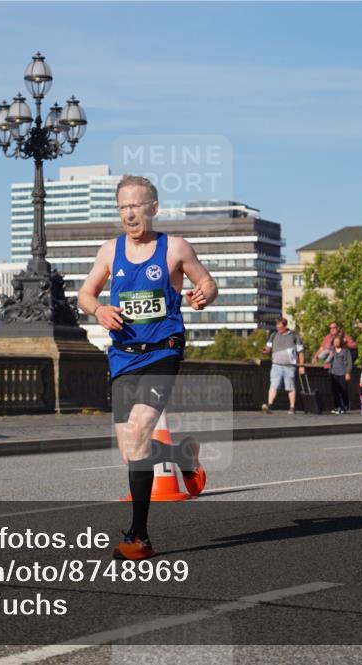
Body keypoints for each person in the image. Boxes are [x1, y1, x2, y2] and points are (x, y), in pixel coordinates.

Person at [77, 174, 218, 560]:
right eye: (122, 207)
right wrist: (98, 309)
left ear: (153, 208)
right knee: (131, 451)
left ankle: (139, 537)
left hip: (162, 351)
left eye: (136, 206)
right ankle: (183, 456)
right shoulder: (110, 251)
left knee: (139, 432)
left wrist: (204, 294)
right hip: (123, 355)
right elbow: (85, 294)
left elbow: (207, 282)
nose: (129, 214)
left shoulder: (175, 248)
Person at [261, 318, 305, 415]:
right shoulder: (274, 335)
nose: (278, 329)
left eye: (280, 327)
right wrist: (265, 350)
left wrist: (301, 366)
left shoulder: (294, 336)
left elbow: (301, 352)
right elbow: (268, 348)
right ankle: (270, 405)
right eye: (277, 327)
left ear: (285, 326)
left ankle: (292, 407)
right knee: (273, 386)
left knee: (290, 387)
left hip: (289, 366)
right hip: (276, 365)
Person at [328, 334, 352, 414]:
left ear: (340, 342)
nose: (336, 343)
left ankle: (345, 405)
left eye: (337, 341)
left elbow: (349, 362)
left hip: (343, 373)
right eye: (335, 341)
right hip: (333, 373)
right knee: (335, 391)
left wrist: (348, 373)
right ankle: (337, 407)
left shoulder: (346, 351)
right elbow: (324, 357)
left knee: (343, 390)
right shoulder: (331, 350)